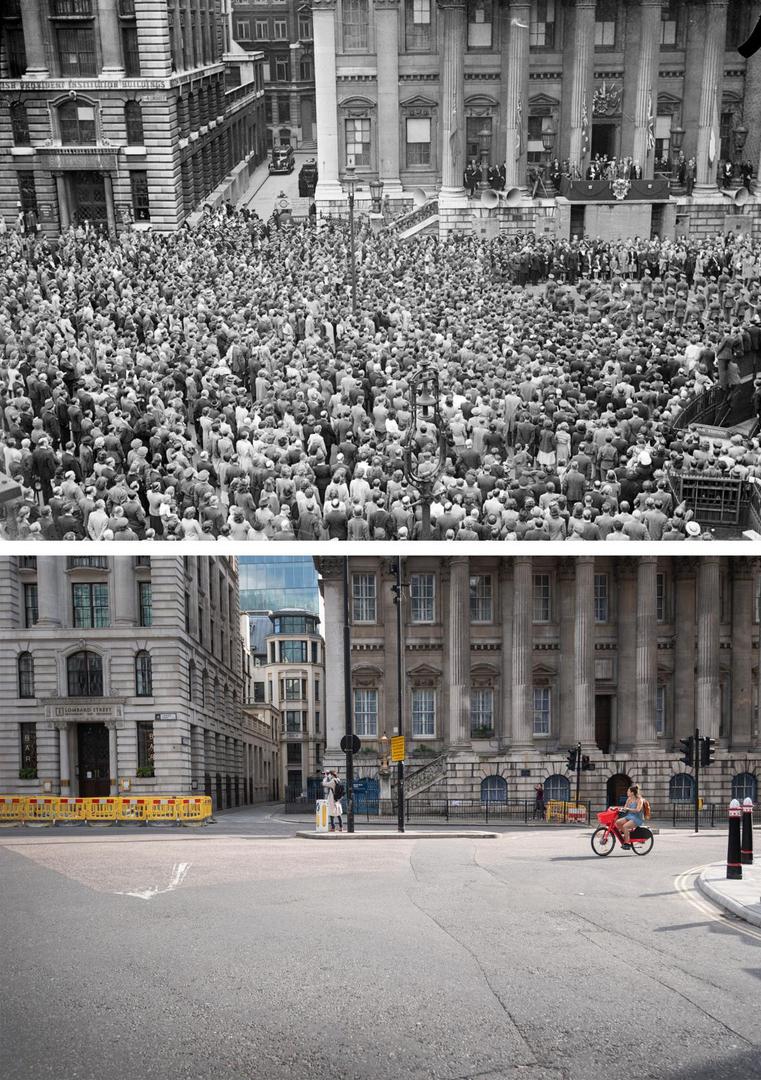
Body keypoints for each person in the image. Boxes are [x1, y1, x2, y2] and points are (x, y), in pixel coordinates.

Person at [616, 784, 645, 848]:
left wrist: (628, 809)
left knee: (625, 826)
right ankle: (628, 835)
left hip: (638, 818)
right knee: (618, 822)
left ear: (632, 793)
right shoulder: (629, 799)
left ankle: (627, 843)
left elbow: (638, 810)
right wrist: (617, 809)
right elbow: (625, 808)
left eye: (628, 791)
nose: (627, 792)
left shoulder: (639, 800)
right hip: (630, 816)